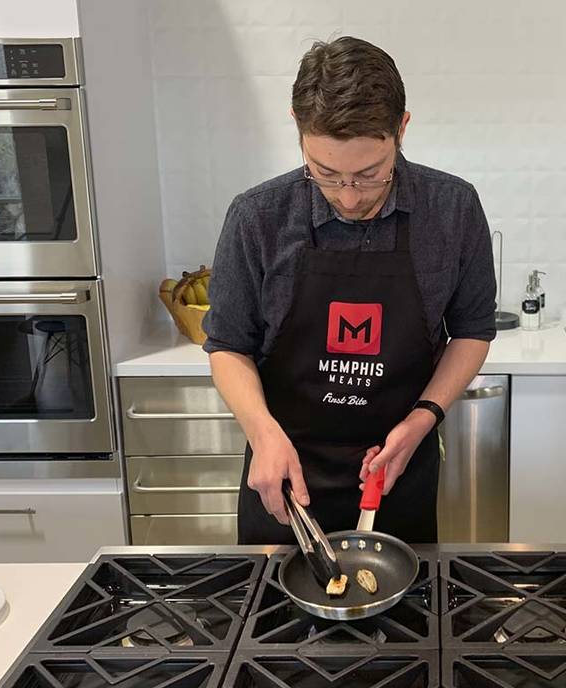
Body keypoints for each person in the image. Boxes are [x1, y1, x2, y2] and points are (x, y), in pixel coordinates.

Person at [204, 36, 496, 545]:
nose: (347, 196)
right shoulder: (257, 217)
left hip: (398, 471)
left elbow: (471, 330)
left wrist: (424, 418)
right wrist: (262, 432)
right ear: (297, 129)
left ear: (401, 129)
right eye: (324, 174)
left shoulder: (453, 209)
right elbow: (228, 345)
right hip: (283, 475)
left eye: (369, 175)